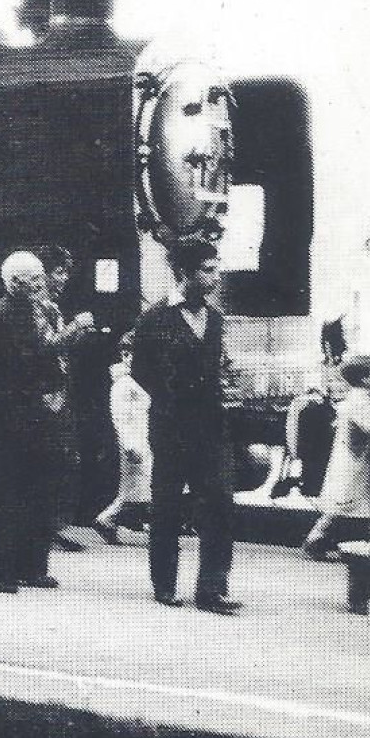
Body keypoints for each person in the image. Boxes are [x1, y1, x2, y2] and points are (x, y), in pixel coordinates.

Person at [131, 237, 241, 614]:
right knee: (167, 504)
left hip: (211, 425)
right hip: (171, 425)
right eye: (208, 269)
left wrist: (223, 379)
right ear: (185, 272)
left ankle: (212, 589)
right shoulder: (155, 317)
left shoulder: (215, 317)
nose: (215, 276)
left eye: (216, 268)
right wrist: (170, 396)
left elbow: (215, 364)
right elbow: (140, 370)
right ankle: (164, 583)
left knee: (220, 502)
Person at [0, 251, 64, 594]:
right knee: (7, 491)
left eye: (41, 278)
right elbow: (8, 365)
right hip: (10, 414)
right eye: (34, 279)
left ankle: (30, 564)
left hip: (37, 410)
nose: (41, 284)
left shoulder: (36, 312)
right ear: (15, 283)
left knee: (38, 488)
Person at [35, 243, 96, 550]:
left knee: (62, 460)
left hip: (58, 393)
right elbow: (46, 347)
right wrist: (76, 327)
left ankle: (53, 523)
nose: (63, 279)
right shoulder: (40, 308)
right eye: (58, 272)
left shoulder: (51, 308)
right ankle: (46, 526)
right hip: (48, 397)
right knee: (54, 460)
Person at [301, 354, 370, 560]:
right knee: (367, 508)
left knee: (349, 507)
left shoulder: (361, 397)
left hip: (356, 462)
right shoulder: (360, 399)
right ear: (366, 378)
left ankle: (315, 541)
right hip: (358, 464)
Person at [94, 334, 152, 543]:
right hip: (134, 442)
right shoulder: (122, 384)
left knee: (138, 489)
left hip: (145, 439)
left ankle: (108, 520)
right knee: (140, 488)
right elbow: (120, 417)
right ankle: (108, 519)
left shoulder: (138, 380)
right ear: (125, 355)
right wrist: (129, 444)